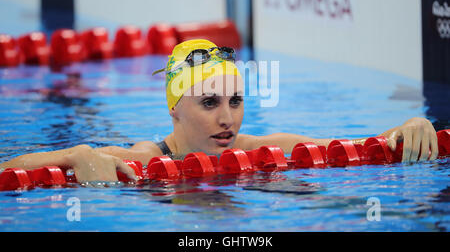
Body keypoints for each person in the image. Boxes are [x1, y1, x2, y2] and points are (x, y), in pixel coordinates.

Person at [0, 39, 439, 182]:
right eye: (209, 102)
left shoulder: (260, 149)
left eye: (235, 101)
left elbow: (356, 148)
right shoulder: (149, 160)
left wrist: (410, 125)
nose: (228, 119)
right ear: (174, 108)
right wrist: (77, 153)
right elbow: (11, 171)